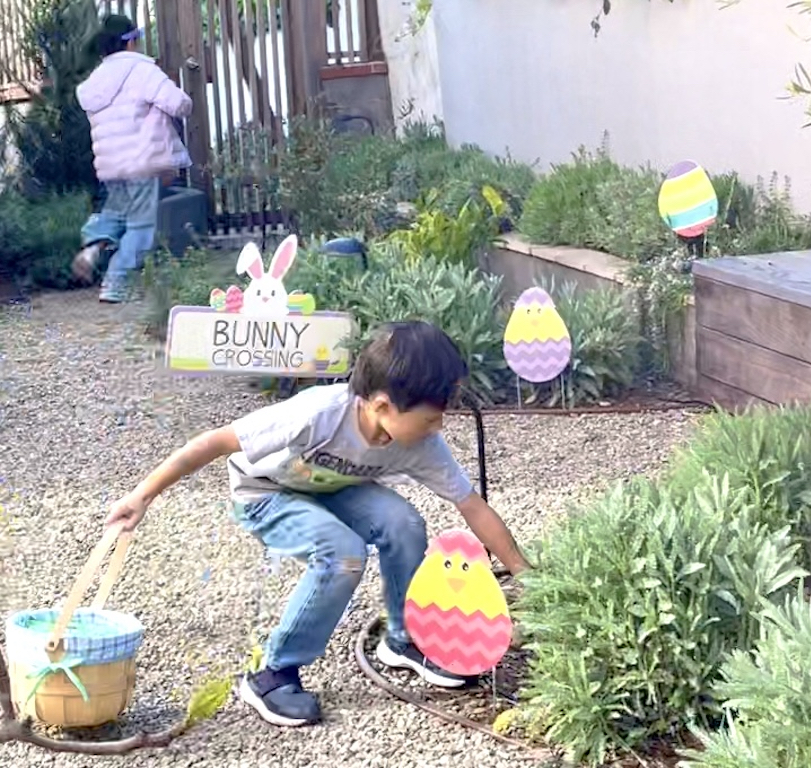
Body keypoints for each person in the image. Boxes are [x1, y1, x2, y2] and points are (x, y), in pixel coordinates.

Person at [103, 320, 532, 727]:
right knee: (341, 552)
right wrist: (142, 495)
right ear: (382, 405)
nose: (437, 427)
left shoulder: (418, 442)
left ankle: (404, 639)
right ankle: (273, 673)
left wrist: (524, 573)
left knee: (404, 524)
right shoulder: (318, 413)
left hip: (333, 489)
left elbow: (470, 504)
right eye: (430, 417)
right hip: (267, 494)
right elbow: (215, 441)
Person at [72, 14, 193, 303]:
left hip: (111, 167)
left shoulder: (95, 80)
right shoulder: (142, 71)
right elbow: (178, 104)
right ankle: (115, 281)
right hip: (141, 163)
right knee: (141, 227)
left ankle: (92, 249)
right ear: (132, 41)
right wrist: (185, 100)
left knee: (115, 214)